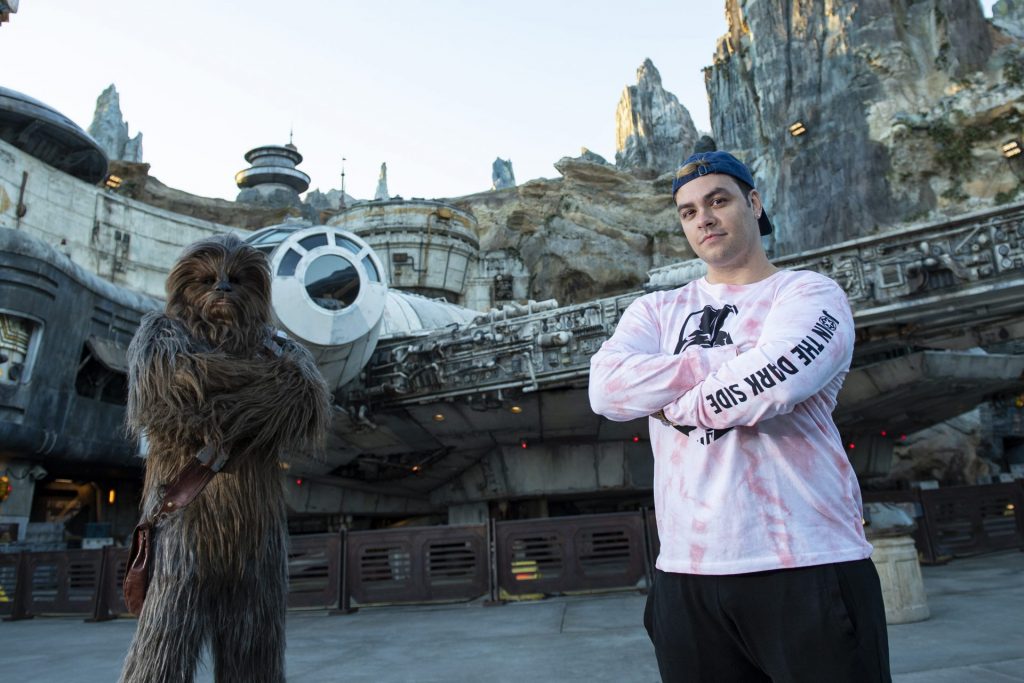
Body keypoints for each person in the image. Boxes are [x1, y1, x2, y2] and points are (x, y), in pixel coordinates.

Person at [589, 151, 891, 682]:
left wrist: (665, 396)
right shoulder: (654, 311)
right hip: (685, 575)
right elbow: (607, 391)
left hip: (807, 563)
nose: (703, 218)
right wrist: (722, 360)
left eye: (718, 200)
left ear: (753, 202)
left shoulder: (808, 293)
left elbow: (771, 384)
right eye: (687, 212)